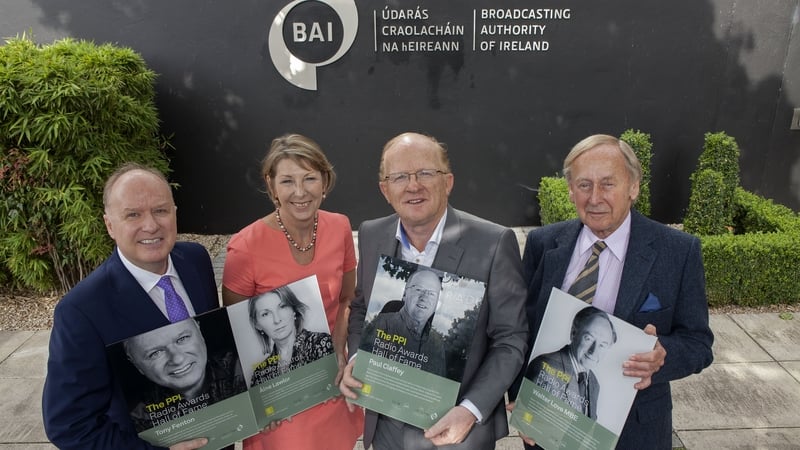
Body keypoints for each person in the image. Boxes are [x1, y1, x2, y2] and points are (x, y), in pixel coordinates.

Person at [516, 134, 714, 449]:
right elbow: (521, 329)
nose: (595, 197)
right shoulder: (543, 243)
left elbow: (699, 343)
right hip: (545, 426)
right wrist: (520, 402)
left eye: (608, 184)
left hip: (635, 433)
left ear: (633, 187)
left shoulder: (678, 251)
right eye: (584, 184)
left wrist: (663, 355)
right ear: (570, 190)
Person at [340, 132, 529, 449]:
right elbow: (361, 309)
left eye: (426, 173)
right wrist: (359, 357)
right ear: (385, 190)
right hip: (386, 430)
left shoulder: (494, 243)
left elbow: (511, 338)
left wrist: (470, 410)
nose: (413, 185)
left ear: (449, 181)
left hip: (458, 433)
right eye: (400, 176)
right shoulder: (373, 234)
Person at [42, 163, 220, 450]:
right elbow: (69, 425)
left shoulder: (196, 261)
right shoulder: (81, 311)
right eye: (133, 215)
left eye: (160, 210)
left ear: (175, 213)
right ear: (109, 225)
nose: (150, 225)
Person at [221, 134, 363, 450]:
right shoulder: (245, 248)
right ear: (271, 186)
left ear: (325, 182)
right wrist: (258, 399)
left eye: (309, 178)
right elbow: (236, 334)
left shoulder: (339, 226)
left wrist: (339, 354)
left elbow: (346, 299)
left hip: (329, 383)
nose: (300, 192)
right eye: (287, 181)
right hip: (279, 394)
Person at [124, 317, 247, 432]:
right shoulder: (139, 417)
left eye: (182, 339)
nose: (177, 359)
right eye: (155, 353)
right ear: (136, 364)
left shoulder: (245, 368)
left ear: (200, 333)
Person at [525, 307, 616, 420]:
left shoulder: (594, 383)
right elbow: (530, 421)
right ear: (573, 333)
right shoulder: (545, 367)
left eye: (602, 345)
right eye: (588, 339)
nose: (593, 351)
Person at [361, 268, 447, 376]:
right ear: (405, 294)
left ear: (437, 304)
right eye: (419, 290)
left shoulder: (436, 343)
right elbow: (363, 367)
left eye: (431, 294)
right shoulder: (382, 323)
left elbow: (436, 384)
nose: (424, 298)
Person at [248, 285, 333, 384]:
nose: (277, 320)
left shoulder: (321, 343)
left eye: (282, 307)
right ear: (257, 324)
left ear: (294, 310)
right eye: (266, 314)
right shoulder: (259, 374)